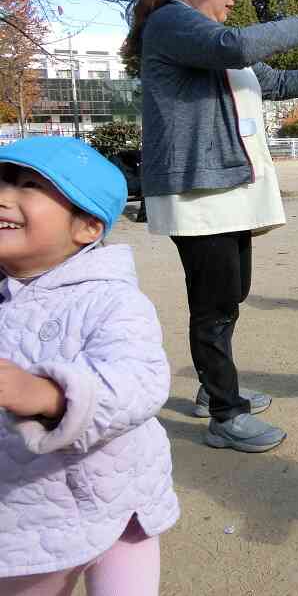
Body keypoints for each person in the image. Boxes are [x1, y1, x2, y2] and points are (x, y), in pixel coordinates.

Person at [123, 0, 298, 453]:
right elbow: (239, 46)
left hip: (228, 186)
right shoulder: (173, 24)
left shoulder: (208, 35)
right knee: (213, 304)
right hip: (196, 190)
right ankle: (225, 415)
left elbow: (270, 82)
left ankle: (215, 388)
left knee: (231, 293)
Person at [0, 137, 178, 595]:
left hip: (118, 506)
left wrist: (49, 396)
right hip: (29, 517)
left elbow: (140, 382)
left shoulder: (110, 298)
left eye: (28, 186)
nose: (3, 195)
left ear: (87, 227)